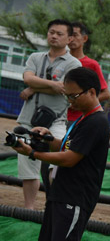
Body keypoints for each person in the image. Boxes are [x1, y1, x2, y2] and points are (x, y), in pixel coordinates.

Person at [17, 67, 110, 241]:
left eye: (74, 96)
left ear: (92, 92)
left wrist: (33, 153)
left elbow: (70, 158)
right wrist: (45, 139)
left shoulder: (96, 122)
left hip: (76, 196)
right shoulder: (82, 118)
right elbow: (65, 146)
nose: (70, 101)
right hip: (61, 192)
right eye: (68, 96)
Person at [16, 18, 81, 210]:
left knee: (57, 163)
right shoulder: (35, 57)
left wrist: (34, 87)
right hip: (28, 118)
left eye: (59, 34)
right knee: (28, 168)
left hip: (56, 120)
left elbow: (65, 88)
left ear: (69, 38)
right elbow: (28, 78)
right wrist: (49, 85)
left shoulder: (74, 63)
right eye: (51, 32)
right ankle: (29, 209)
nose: (54, 36)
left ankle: (54, 207)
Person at [66, 22, 110, 106]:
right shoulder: (60, 60)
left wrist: (83, 103)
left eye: (75, 35)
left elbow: (106, 94)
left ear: (85, 38)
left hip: (79, 117)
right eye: (69, 35)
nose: (71, 38)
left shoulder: (92, 64)